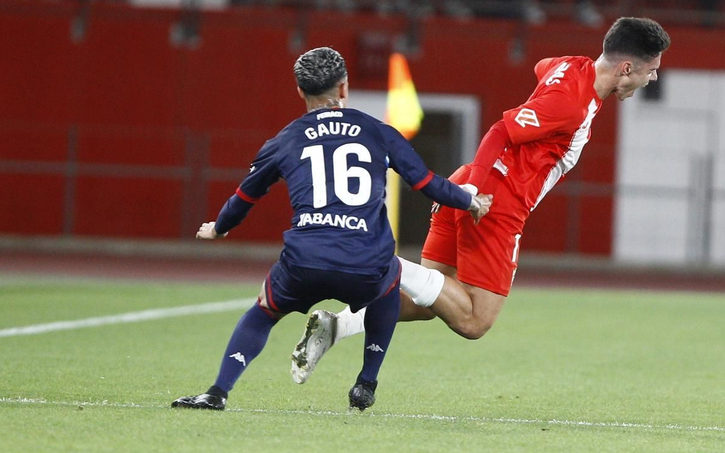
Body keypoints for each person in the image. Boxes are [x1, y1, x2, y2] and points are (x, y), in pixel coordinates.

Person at [290, 18, 671, 378]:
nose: (652, 78)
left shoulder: (572, 67)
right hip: (494, 201)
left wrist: (470, 182)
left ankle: (337, 326)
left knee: (431, 299)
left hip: (472, 180)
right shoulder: (572, 103)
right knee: (474, 321)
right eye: (650, 70)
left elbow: (542, 66)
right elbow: (501, 130)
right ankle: (386, 264)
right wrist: (473, 192)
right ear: (625, 68)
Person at [172, 47, 491, 412]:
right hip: (365, 262)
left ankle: (217, 392)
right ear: (344, 88)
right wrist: (470, 202)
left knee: (263, 311)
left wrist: (220, 228)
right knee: (389, 280)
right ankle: (366, 383)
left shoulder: (286, 139)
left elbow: (245, 196)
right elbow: (425, 182)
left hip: (305, 259)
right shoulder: (376, 131)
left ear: (299, 91)